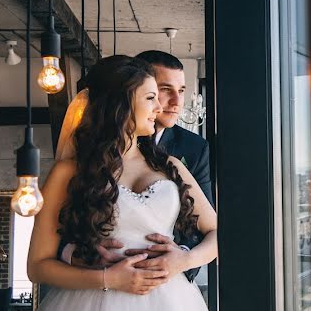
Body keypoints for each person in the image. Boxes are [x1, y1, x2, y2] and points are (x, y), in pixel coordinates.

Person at [0, 56, 219, 311]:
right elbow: (37, 265)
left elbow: (218, 232)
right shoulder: (69, 172)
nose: (160, 106)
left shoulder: (171, 165)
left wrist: (183, 259)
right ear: (120, 104)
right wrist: (109, 278)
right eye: (150, 98)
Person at [58, 51, 212, 288]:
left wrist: (182, 259)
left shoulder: (182, 157)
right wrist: (83, 258)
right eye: (156, 94)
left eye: (181, 91)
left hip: (169, 289)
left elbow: (209, 228)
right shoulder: (74, 169)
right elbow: (55, 240)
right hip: (96, 293)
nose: (165, 105)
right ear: (124, 100)